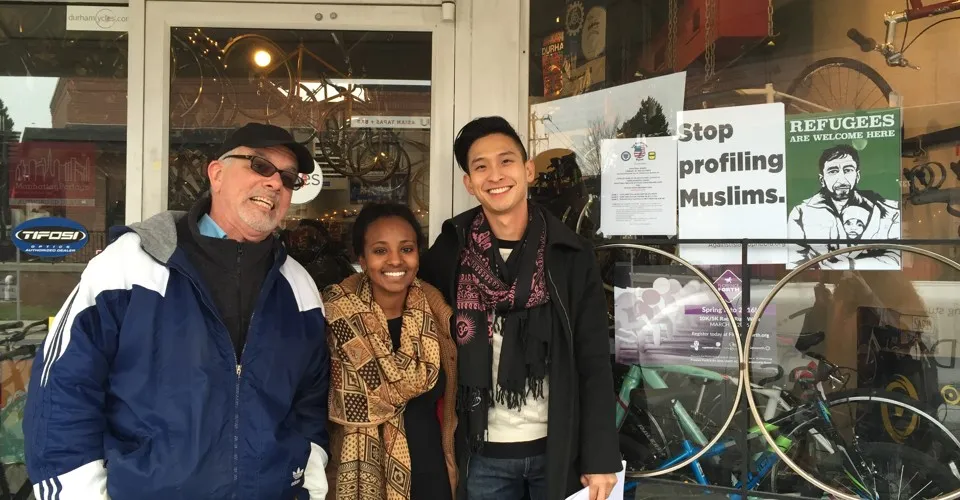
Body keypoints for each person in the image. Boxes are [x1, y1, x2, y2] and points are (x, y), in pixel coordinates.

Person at [22, 123, 330, 499]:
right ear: (216, 173)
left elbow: (310, 406)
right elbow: (63, 388)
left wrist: (309, 488)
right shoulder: (130, 265)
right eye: (261, 166)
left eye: (287, 177)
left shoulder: (298, 288)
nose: (275, 183)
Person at [419, 116, 621, 500]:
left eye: (506, 160)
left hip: (558, 451)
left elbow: (593, 361)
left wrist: (600, 456)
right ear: (469, 183)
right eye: (480, 166)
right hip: (480, 457)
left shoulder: (570, 255)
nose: (495, 174)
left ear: (528, 170)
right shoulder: (450, 252)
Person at [322, 203, 458, 500]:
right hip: (359, 475)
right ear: (362, 258)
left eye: (406, 249)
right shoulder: (334, 320)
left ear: (418, 257)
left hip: (431, 476)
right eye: (380, 250)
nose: (395, 261)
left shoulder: (438, 318)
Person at [787, 144, 900, 269]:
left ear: (857, 176)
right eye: (833, 171)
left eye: (848, 170)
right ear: (822, 179)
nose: (841, 179)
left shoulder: (889, 212)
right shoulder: (800, 214)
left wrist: (851, 265)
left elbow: (895, 259)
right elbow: (795, 264)